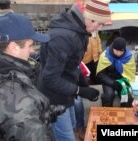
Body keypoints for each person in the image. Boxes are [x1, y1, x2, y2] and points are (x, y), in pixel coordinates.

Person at [37, 0, 111, 140]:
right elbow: (50, 78)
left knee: (70, 129)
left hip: (66, 93)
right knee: (66, 138)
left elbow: (72, 64)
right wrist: (79, 90)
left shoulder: (80, 30)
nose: (100, 28)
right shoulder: (63, 37)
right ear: (89, 17)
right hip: (54, 98)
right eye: (99, 24)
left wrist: (83, 83)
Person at [0, 13, 54, 140]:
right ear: (13, 47)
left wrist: (47, 111)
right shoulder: (15, 90)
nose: (33, 50)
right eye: (30, 45)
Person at [96, 37, 136, 107]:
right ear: (112, 47)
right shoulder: (105, 56)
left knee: (128, 97)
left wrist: (122, 82)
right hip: (108, 80)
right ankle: (107, 114)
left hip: (122, 80)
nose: (119, 53)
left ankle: (124, 112)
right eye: (116, 51)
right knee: (108, 96)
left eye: (121, 51)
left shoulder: (129, 57)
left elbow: (130, 73)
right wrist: (113, 83)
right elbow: (101, 74)